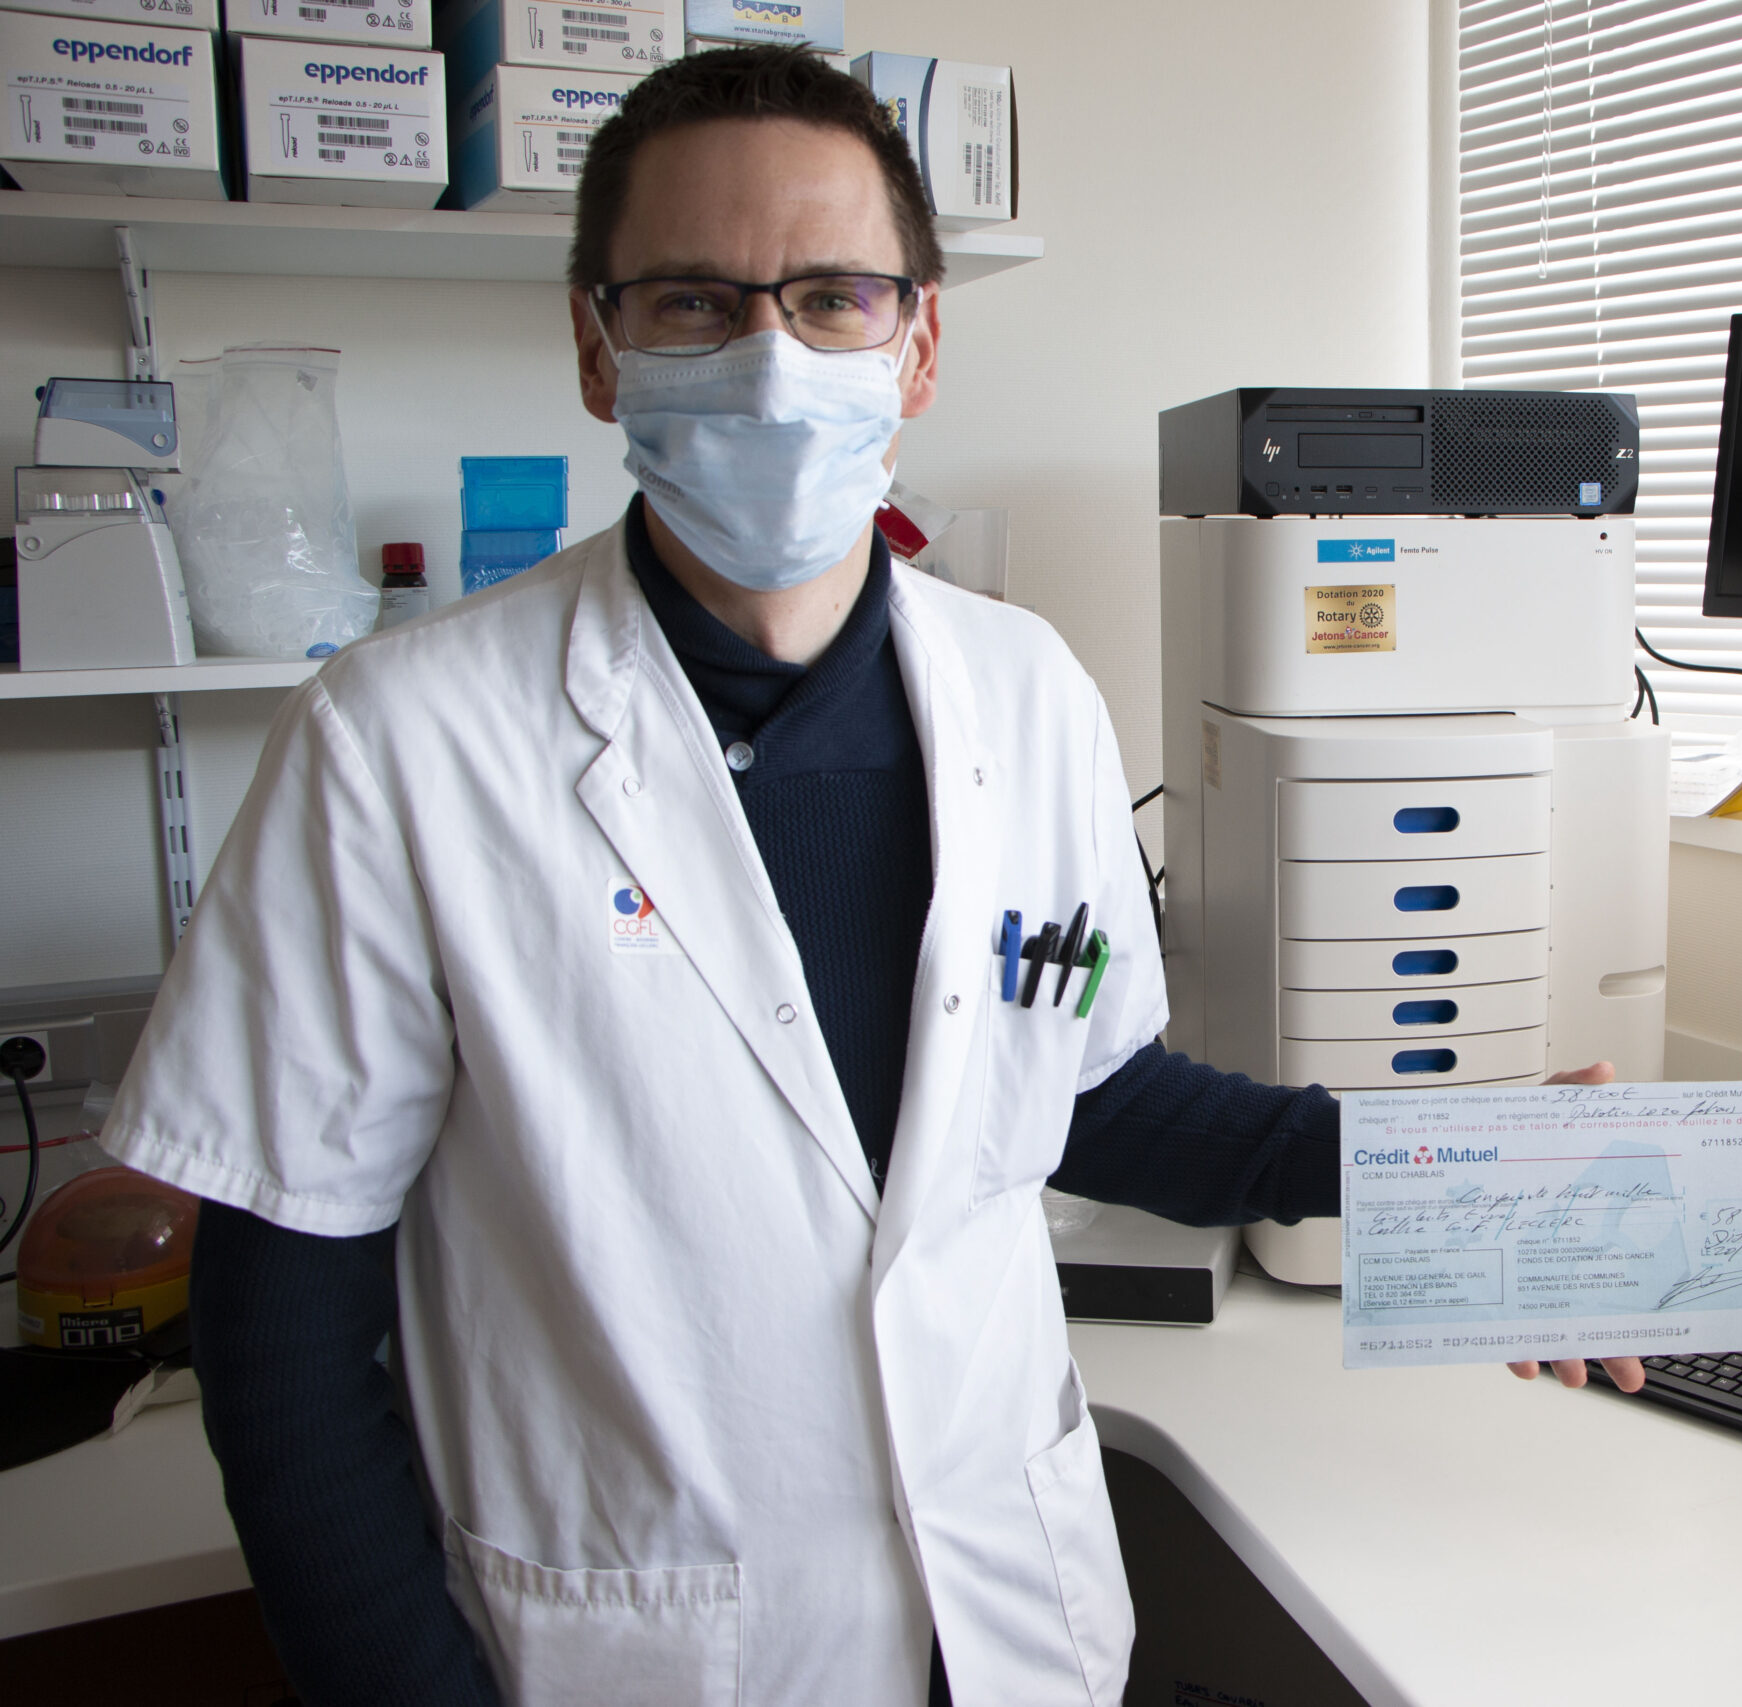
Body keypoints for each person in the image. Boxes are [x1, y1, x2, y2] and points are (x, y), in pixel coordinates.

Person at [99, 46, 1638, 1707]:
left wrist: (1453, 1172)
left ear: (915, 345)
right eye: (695, 301)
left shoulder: (1027, 688)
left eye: (833, 297)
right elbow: (280, 1338)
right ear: (596, 349)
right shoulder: (398, 742)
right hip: (643, 1655)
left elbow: (1091, 1095)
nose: (770, 358)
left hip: (1005, 1625)